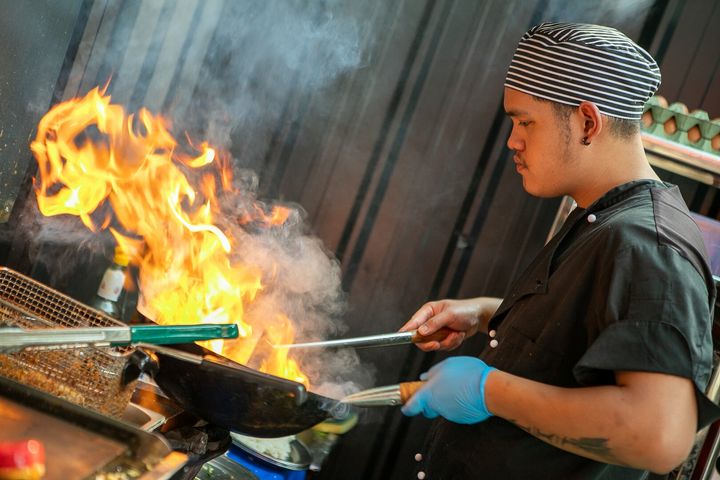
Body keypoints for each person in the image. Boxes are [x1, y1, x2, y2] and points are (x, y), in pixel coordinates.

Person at [399, 22, 720, 479]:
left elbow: (659, 436)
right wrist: (486, 313)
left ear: (588, 122)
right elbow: (585, 334)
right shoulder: (600, 216)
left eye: (525, 121)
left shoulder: (649, 246)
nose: (512, 140)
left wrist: (489, 390)